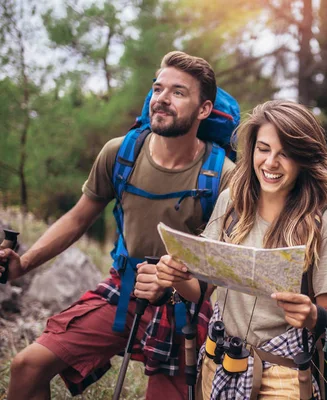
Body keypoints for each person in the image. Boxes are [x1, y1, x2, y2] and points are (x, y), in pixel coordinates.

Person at [0, 51, 235, 400]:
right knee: (27, 366)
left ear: (203, 109)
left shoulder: (224, 176)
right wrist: (23, 265)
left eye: (178, 92)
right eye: (158, 89)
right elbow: (79, 217)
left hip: (184, 302)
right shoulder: (121, 153)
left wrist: (178, 284)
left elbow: (224, 267)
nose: (162, 100)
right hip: (124, 287)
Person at [141, 100, 327, 399]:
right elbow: (202, 290)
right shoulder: (230, 204)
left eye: (286, 154)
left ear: (305, 159)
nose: (271, 163)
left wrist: (313, 315)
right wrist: (175, 277)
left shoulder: (323, 225)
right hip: (220, 361)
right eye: (263, 149)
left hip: (284, 373)